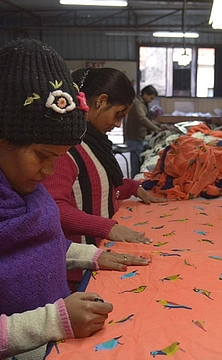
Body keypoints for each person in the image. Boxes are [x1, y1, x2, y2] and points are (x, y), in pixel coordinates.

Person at [0, 39, 151, 360]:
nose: (49, 172)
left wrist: (88, 256)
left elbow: (34, 244)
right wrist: (50, 322)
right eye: (42, 155)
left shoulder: (14, 179)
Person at [43, 67, 166, 290]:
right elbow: (55, 207)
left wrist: (132, 187)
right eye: (118, 114)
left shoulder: (93, 143)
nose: (118, 124)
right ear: (100, 101)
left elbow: (96, 184)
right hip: (76, 273)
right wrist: (107, 227)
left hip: (98, 258)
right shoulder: (66, 149)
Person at [125, 84, 161, 177]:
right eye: (150, 97)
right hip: (135, 137)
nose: (151, 100)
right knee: (136, 164)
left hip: (141, 137)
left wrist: (160, 126)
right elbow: (142, 119)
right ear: (144, 94)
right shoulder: (137, 103)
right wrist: (156, 129)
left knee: (141, 163)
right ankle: (135, 183)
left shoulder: (144, 103)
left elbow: (148, 118)